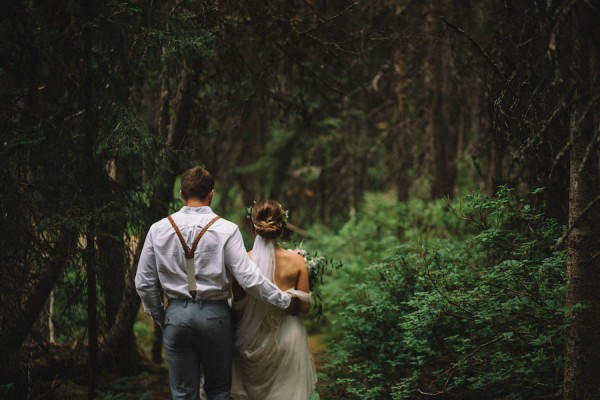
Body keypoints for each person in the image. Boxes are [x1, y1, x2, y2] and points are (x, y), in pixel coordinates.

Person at [135, 167, 292, 400]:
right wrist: (285, 299)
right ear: (211, 194)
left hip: (176, 316)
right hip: (216, 318)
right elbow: (248, 278)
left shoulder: (157, 230)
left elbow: (144, 282)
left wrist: (162, 316)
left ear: (181, 193)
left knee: (183, 395)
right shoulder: (227, 229)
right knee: (219, 391)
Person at [231, 200, 317, 400]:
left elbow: (237, 303)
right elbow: (304, 308)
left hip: (250, 340)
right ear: (281, 228)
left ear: (254, 228)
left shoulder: (243, 262)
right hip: (287, 338)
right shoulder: (297, 261)